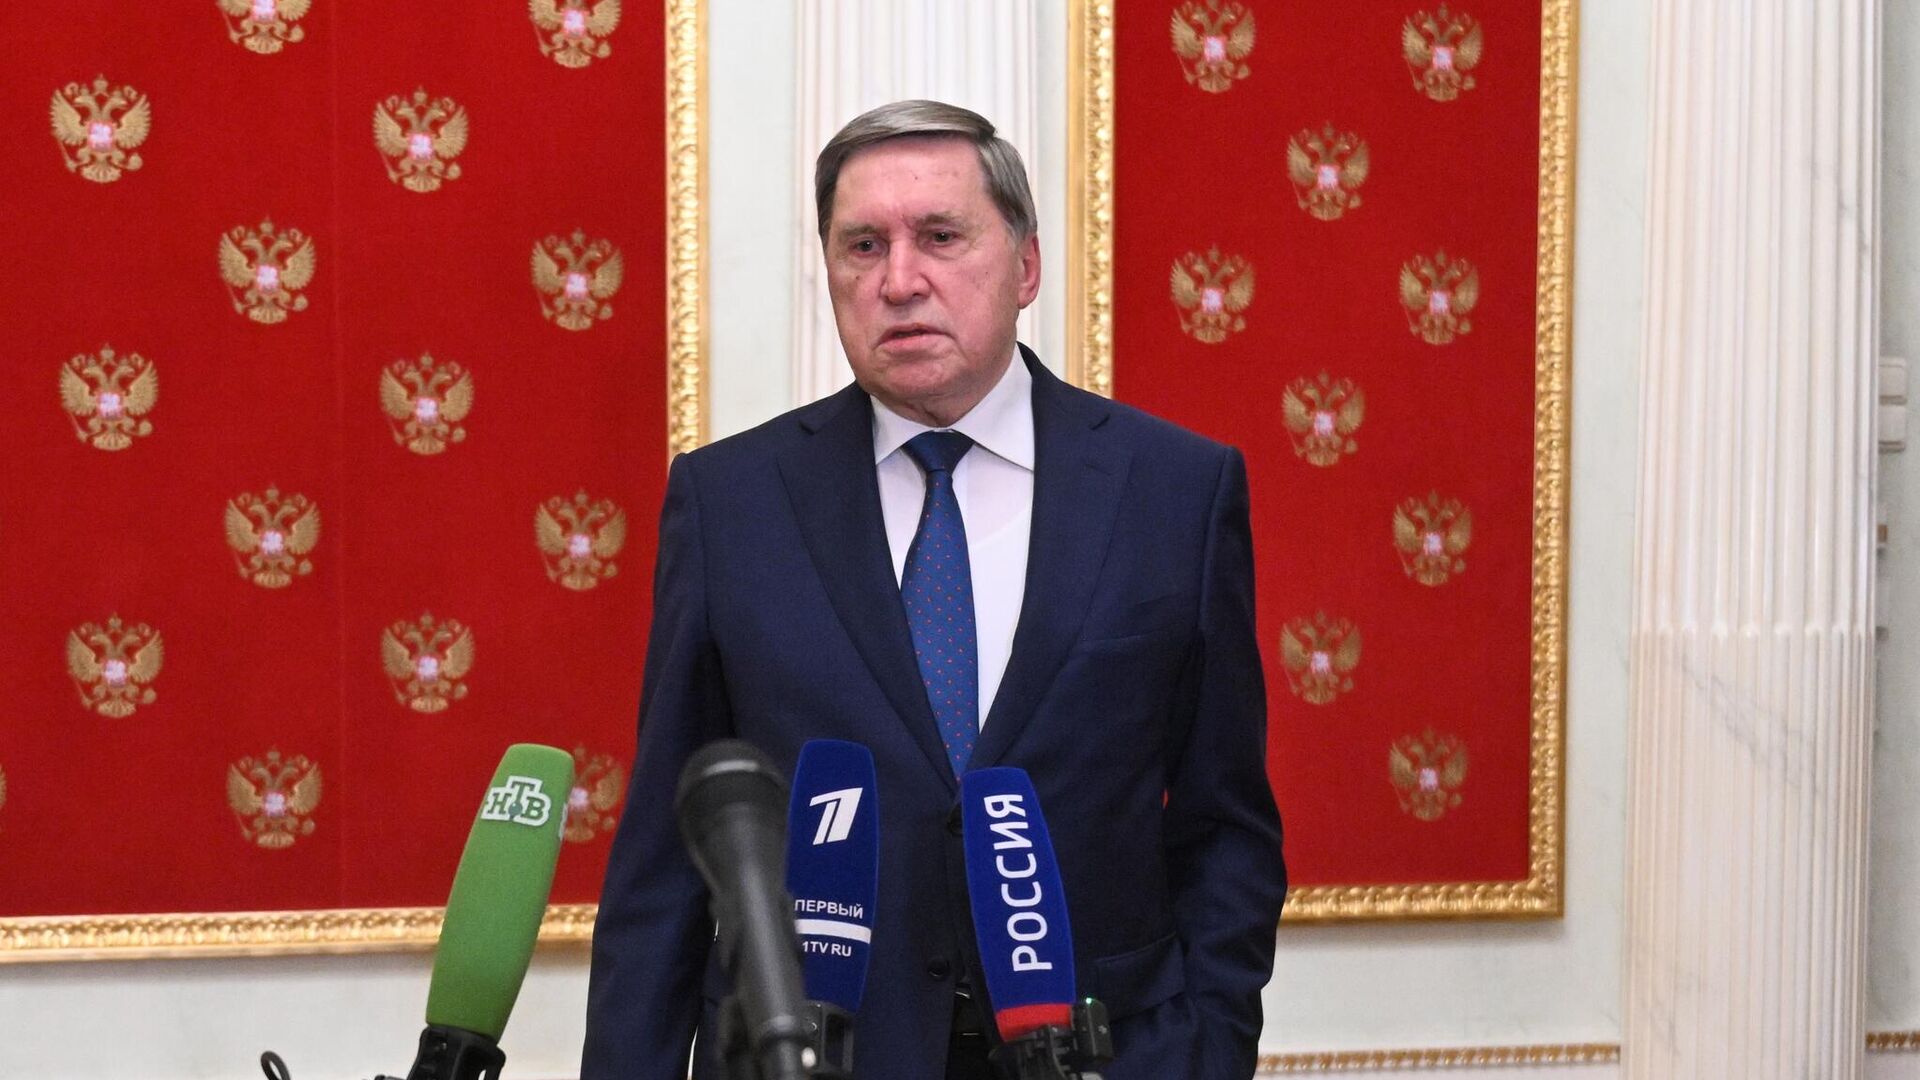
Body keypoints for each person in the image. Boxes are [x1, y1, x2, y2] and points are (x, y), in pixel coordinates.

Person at [583, 99, 1285, 1080]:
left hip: (1110, 1052)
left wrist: (1207, 1050)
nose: (900, 280)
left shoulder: (1175, 491)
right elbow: (665, 854)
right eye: (863, 245)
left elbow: (1225, 826)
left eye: (941, 237)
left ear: (1026, 266)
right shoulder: (731, 502)